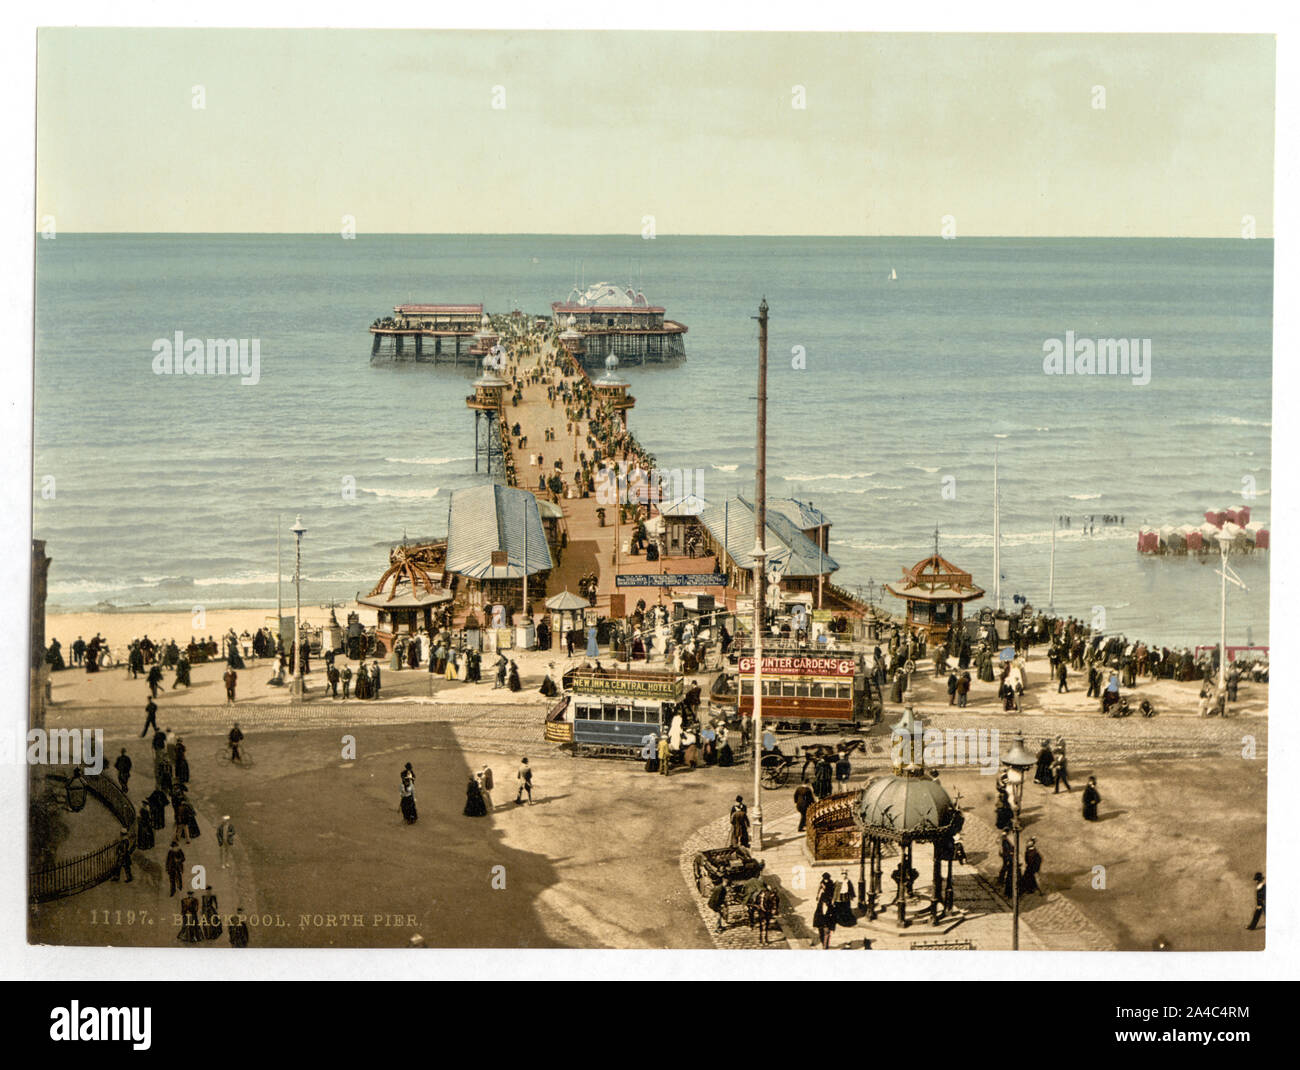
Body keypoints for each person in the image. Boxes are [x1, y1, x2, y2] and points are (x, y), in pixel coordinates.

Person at [812, 873, 837, 949]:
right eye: (824, 878)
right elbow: (819, 889)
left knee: (826, 932)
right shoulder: (822, 882)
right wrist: (817, 895)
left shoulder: (830, 884)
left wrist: (825, 888)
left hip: (828, 899)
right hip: (821, 921)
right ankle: (824, 944)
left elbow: (831, 892)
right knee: (821, 933)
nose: (825, 880)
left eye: (826, 878)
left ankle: (825, 947)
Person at [997, 833, 1014, 897]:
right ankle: (1001, 880)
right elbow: (1005, 850)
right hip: (1007, 857)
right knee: (1005, 868)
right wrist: (1010, 852)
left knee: (1004, 868)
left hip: (1006, 856)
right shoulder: (1004, 841)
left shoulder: (1004, 841)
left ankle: (1001, 880)